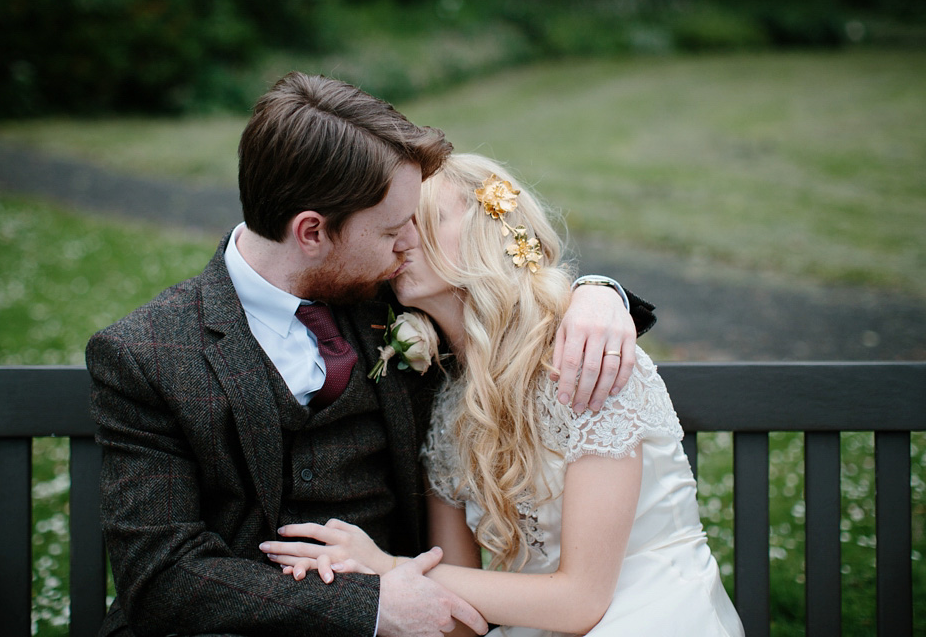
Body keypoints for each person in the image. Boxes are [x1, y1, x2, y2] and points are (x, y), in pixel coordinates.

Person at [87, 73, 656, 637]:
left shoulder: (399, 293)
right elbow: (162, 575)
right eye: (393, 228)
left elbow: (503, 299)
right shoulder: (147, 355)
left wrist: (599, 294)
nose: (411, 242)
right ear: (312, 232)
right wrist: (373, 606)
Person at [261, 153, 744, 636]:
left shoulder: (586, 364)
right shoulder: (446, 406)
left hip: (651, 612)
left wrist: (386, 567)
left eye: (425, 218)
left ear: (489, 229)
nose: (402, 238)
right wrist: (361, 585)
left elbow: (581, 601)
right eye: (397, 223)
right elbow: (463, 620)